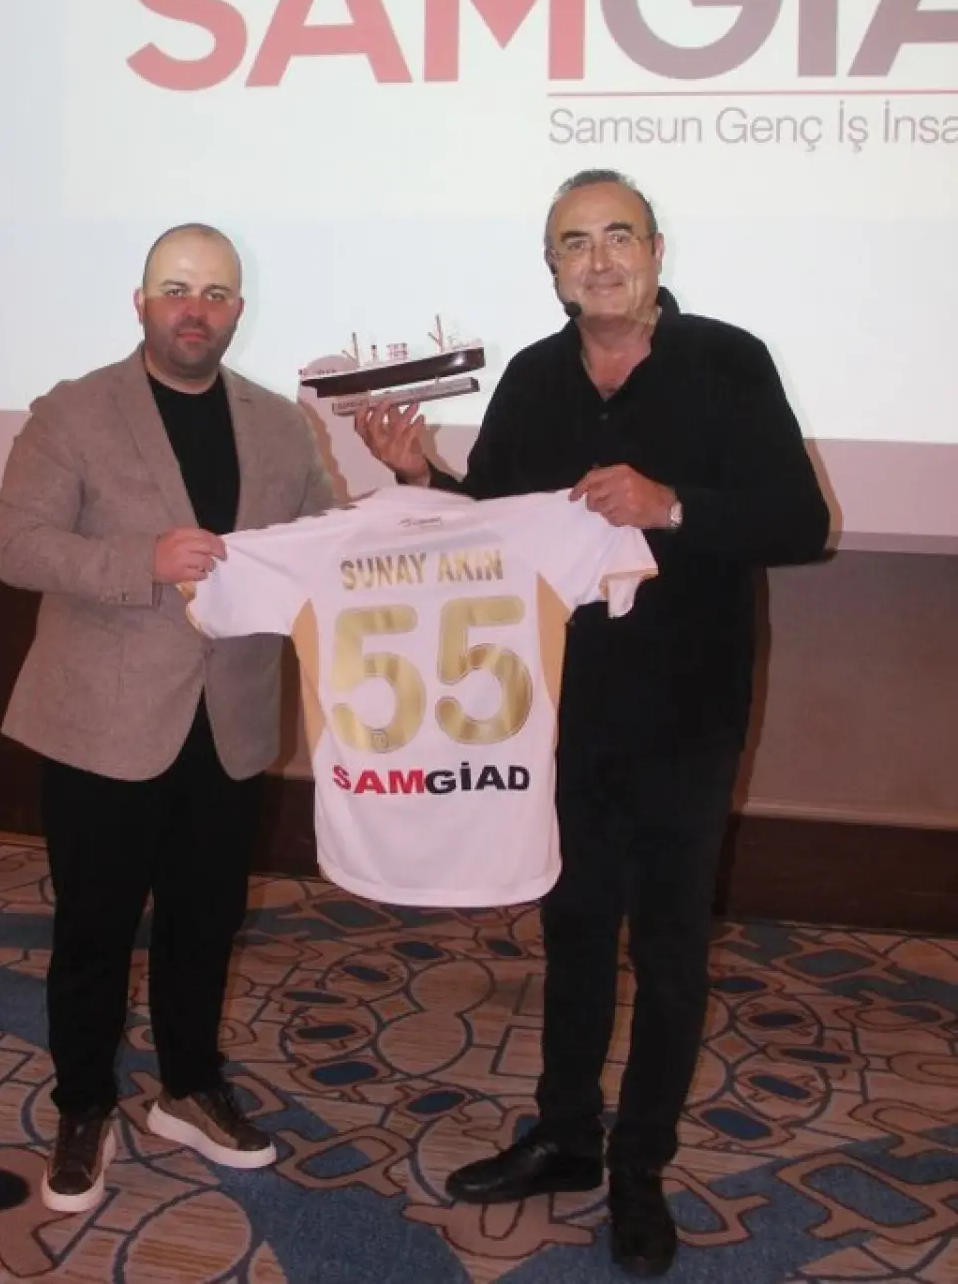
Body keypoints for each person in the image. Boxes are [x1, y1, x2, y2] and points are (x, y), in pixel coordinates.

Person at [354, 170, 830, 1276]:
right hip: (560, 708)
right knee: (571, 933)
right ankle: (566, 1136)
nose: (600, 258)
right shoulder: (532, 377)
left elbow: (800, 523)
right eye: (576, 242)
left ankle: (640, 1165)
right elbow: (498, 529)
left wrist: (672, 506)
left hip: (687, 712)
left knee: (667, 948)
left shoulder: (729, 361)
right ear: (552, 268)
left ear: (657, 251)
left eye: (620, 236)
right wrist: (424, 474)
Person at [0, 222, 333, 1213]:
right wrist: (138, 561)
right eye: (176, 289)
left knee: (205, 922)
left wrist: (406, 490)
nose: (196, 308)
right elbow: (16, 545)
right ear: (140, 303)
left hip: (228, 718)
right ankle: (83, 1104)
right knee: (93, 930)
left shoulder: (278, 424)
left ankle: (187, 1088)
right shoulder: (73, 410)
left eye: (216, 293)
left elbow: (320, 541)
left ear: (238, 311)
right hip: (101, 721)